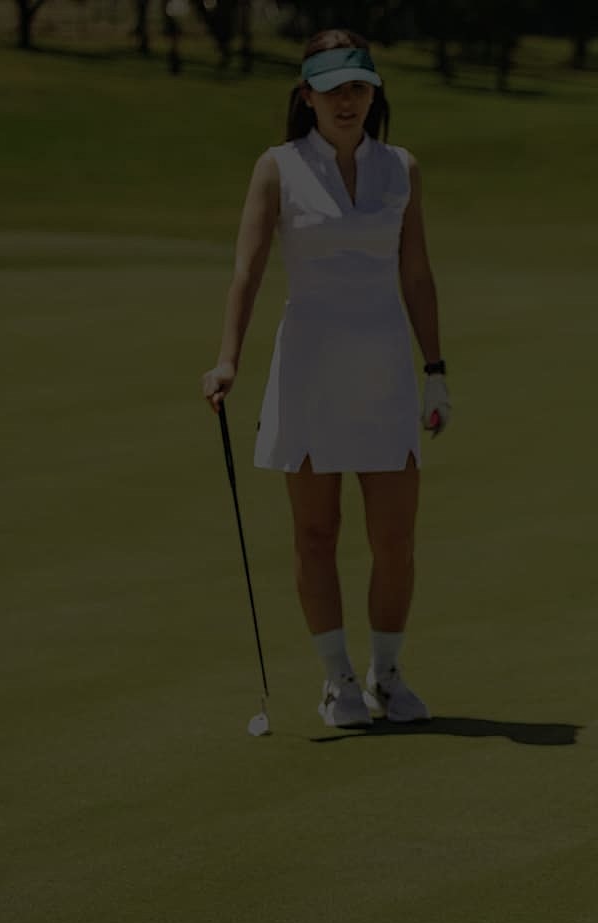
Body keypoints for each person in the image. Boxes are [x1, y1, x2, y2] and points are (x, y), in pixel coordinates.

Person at [200, 30, 453, 730]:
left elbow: (418, 273)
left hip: (384, 370)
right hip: (308, 365)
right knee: (316, 533)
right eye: (334, 88)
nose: (348, 100)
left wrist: (436, 371)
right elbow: (247, 270)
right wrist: (228, 360)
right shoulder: (277, 168)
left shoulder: (401, 167)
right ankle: (337, 679)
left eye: (360, 87)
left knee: (394, 539)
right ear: (305, 94)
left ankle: (388, 674)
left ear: (374, 94)